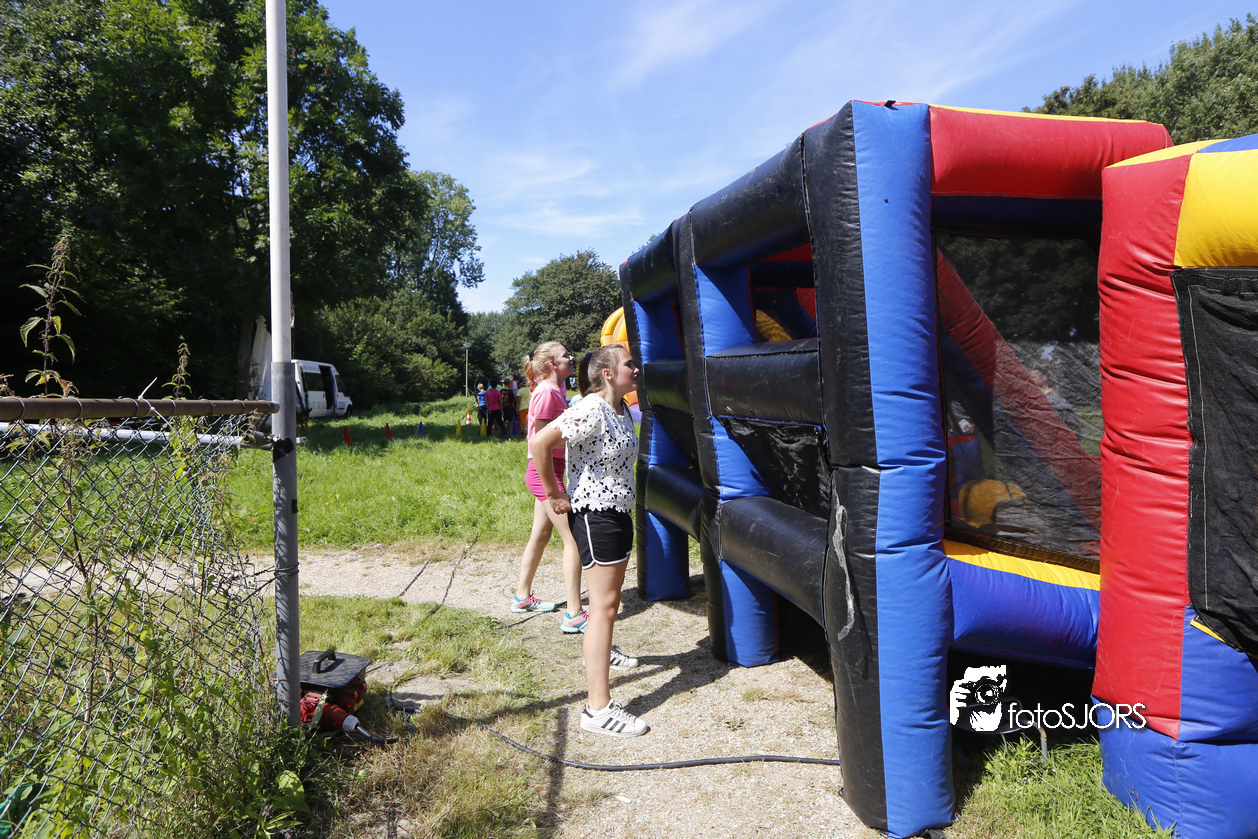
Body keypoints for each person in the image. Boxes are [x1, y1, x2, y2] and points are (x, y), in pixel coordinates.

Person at [531, 344, 647, 737]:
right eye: (629, 363)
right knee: (603, 609)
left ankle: (601, 668)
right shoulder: (591, 408)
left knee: (607, 608)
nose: (636, 368)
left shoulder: (620, 409)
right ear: (609, 373)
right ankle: (597, 709)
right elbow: (539, 443)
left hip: (618, 513)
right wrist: (554, 493)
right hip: (596, 517)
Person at [514, 343, 586, 634]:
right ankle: (574, 614)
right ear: (551, 365)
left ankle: (522, 597)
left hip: (551, 469)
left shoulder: (556, 389)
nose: (571, 357)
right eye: (565, 355)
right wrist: (553, 492)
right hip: (543, 471)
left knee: (541, 535)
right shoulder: (546, 391)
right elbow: (539, 442)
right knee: (574, 540)